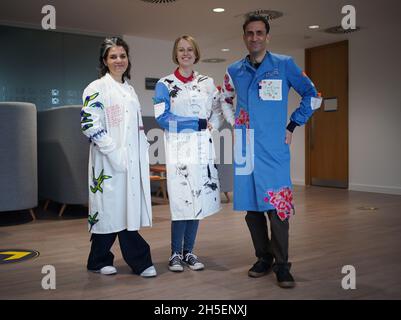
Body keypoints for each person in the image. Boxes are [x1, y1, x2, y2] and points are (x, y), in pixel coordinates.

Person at [220, 15, 322, 288]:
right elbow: (225, 99)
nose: (254, 37)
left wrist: (293, 123)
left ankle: (283, 264)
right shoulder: (234, 70)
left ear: (267, 36)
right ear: (244, 36)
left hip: (274, 147)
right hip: (245, 147)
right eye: (250, 33)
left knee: (278, 209)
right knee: (252, 209)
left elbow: (313, 96)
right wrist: (234, 122)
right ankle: (263, 257)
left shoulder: (284, 65)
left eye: (259, 33)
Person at [81, 37, 156, 278]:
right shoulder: (95, 88)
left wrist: (143, 150)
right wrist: (113, 152)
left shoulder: (130, 89)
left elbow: (137, 127)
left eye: (122, 55)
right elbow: (89, 124)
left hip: (132, 161)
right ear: (105, 60)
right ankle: (140, 260)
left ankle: (98, 259)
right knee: (109, 209)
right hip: (107, 161)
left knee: (123, 209)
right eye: (113, 56)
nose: (118, 60)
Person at [153, 35, 223, 272]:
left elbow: (218, 108)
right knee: (182, 202)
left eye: (190, 49)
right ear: (176, 53)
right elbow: (163, 119)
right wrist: (198, 123)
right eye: (181, 50)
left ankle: (189, 252)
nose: (186, 53)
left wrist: (212, 124)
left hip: (202, 150)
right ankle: (174, 254)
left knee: (198, 201)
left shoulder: (207, 82)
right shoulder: (164, 83)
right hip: (179, 151)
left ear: (196, 53)